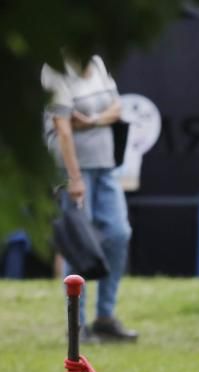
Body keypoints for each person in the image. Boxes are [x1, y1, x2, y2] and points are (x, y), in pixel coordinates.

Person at [42, 53, 138, 343]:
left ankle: (105, 318)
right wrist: (74, 178)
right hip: (71, 170)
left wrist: (94, 120)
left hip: (106, 165)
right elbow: (64, 129)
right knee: (80, 244)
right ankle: (77, 324)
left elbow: (117, 108)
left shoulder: (97, 62)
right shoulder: (54, 69)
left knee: (119, 234)